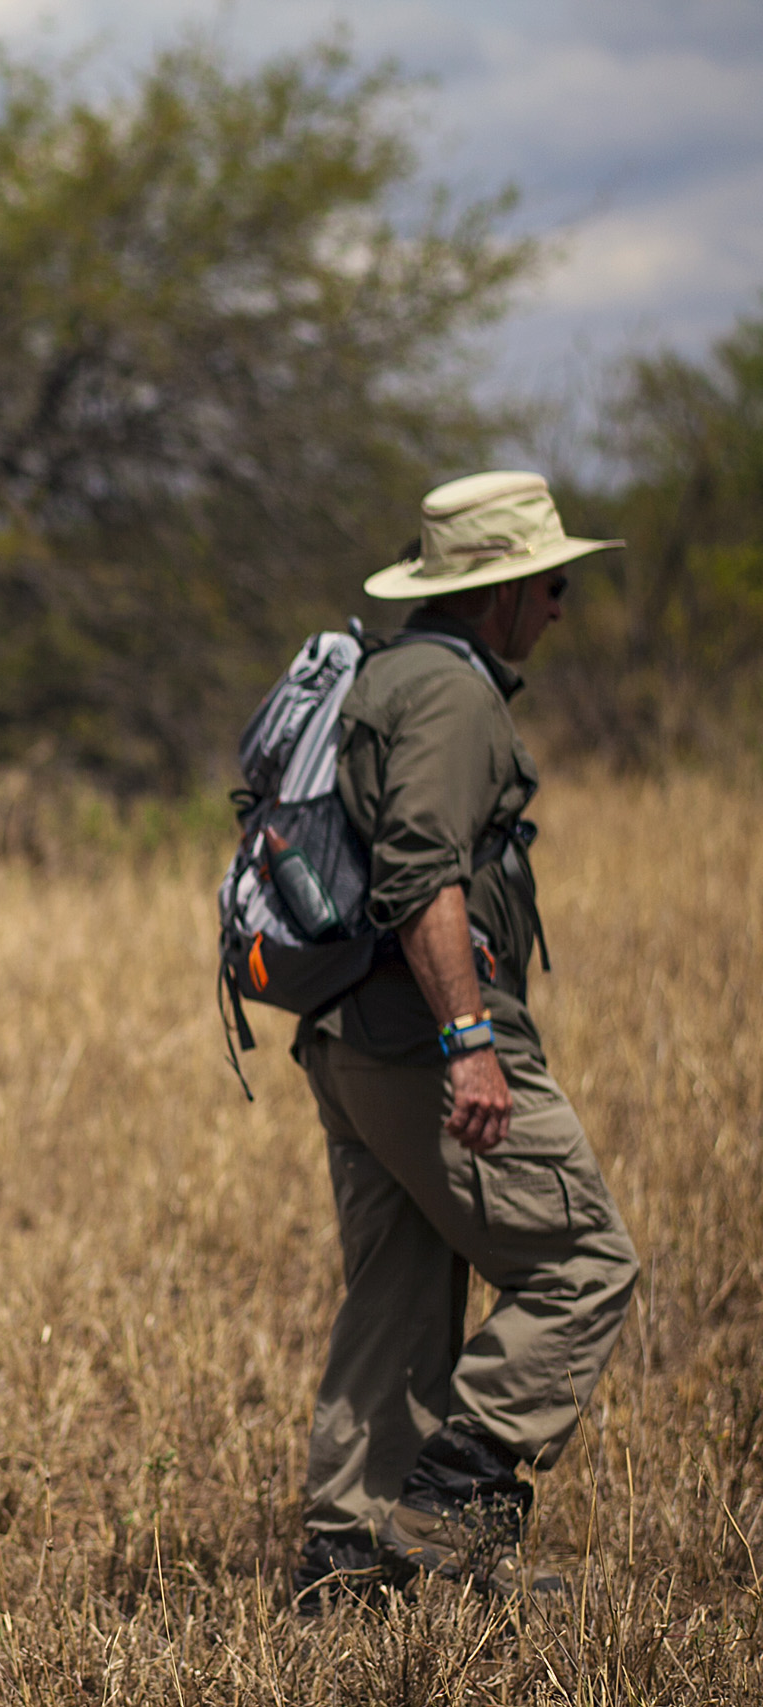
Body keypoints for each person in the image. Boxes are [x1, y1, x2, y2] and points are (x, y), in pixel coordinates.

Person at [289, 472, 639, 1612]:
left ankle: (345, 1565)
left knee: (397, 1291)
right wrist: (472, 1042)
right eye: (552, 585)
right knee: (584, 1264)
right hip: (417, 1040)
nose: (560, 607)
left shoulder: (391, 671)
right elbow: (419, 868)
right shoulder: (450, 695)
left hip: (352, 1034)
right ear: (499, 594)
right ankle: (454, 1499)